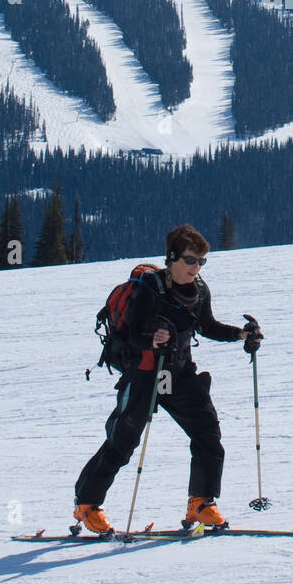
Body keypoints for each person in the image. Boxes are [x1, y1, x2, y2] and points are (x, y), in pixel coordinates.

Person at [74, 223, 262, 534]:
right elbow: (133, 335)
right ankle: (86, 504)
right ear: (172, 258)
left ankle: (200, 502)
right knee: (122, 442)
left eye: (201, 261)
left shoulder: (199, 289)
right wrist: (153, 339)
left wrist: (242, 334)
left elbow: (207, 326)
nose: (196, 267)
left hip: (178, 372)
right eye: (190, 260)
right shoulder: (149, 287)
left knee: (207, 432)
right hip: (145, 373)